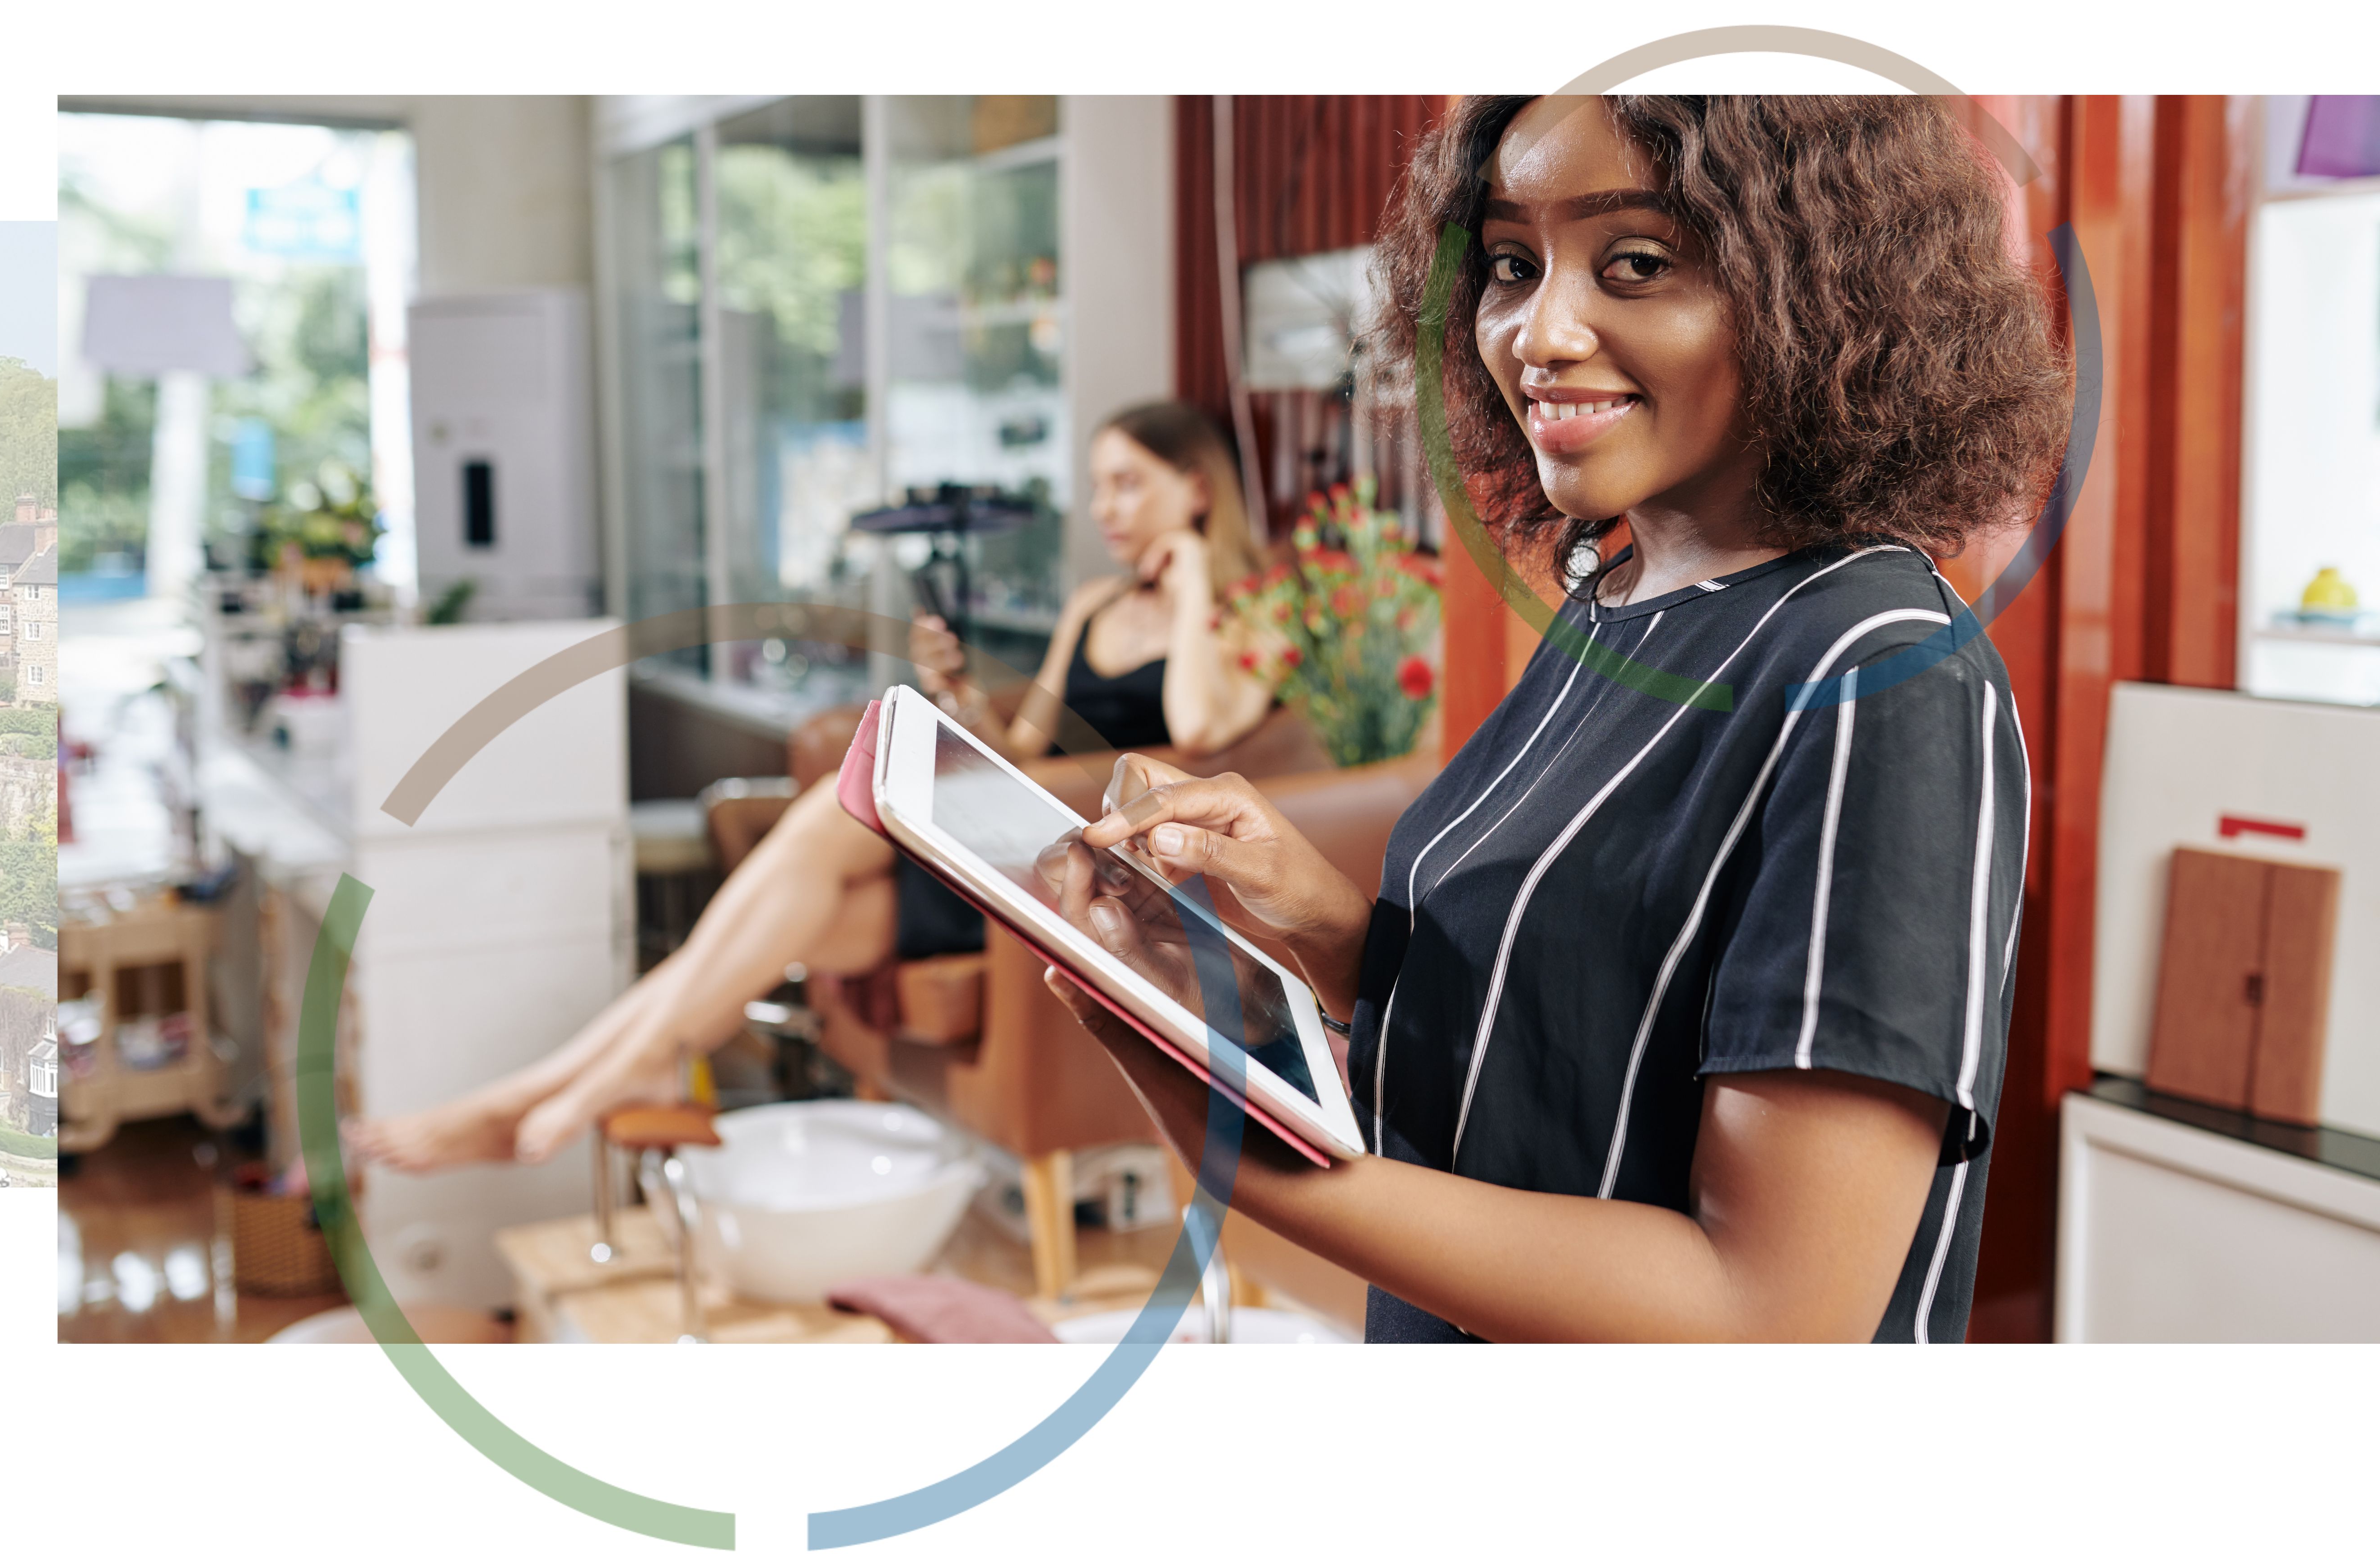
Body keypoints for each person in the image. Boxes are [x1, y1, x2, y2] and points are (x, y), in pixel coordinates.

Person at [1048, 95, 2063, 1342]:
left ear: (1820, 292)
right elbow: (1568, 1041)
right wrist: (1318, 928)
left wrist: (1237, 1139)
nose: (1541, 332)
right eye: (1512, 267)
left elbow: (1770, 1313)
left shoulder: (1881, 673)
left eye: (1635, 263)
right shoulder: (1616, 602)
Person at [346, 400, 1285, 1171]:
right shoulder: (1095, 604)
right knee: (782, 925)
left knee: (820, 822)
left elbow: (1201, 724)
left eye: (1130, 484)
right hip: (1025, 837)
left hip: (1100, 878)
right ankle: (580, 1082)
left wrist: (1197, 572)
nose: (1106, 509)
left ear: (1197, 486)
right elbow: (1025, 745)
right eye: (1098, 488)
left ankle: (575, 1085)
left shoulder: (1254, 608)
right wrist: (957, 692)